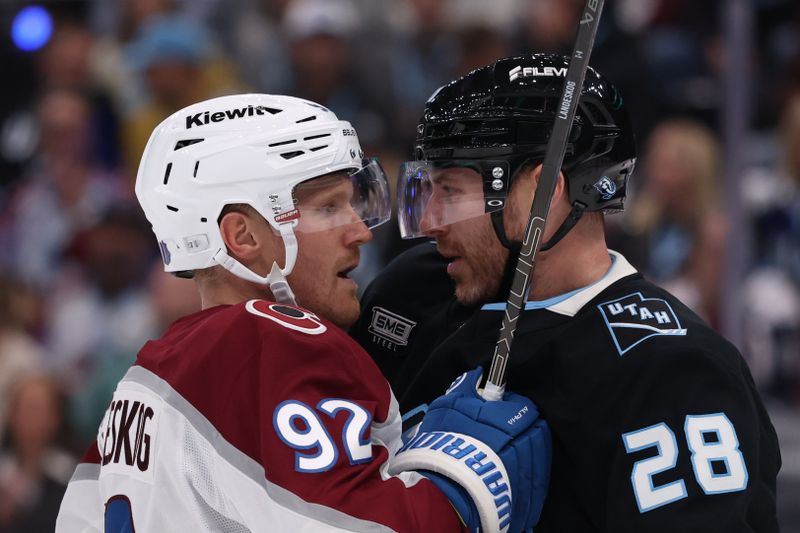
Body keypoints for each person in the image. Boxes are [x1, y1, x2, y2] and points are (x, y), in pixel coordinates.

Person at [55, 94, 551, 533]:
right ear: (244, 237)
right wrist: (461, 484)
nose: (360, 231)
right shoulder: (278, 341)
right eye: (330, 208)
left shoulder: (144, 377)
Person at [351, 54, 782, 532]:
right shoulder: (411, 291)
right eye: (425, 190)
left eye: (450, 192)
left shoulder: (673, 373)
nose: (429, 222)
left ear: (543, 193)